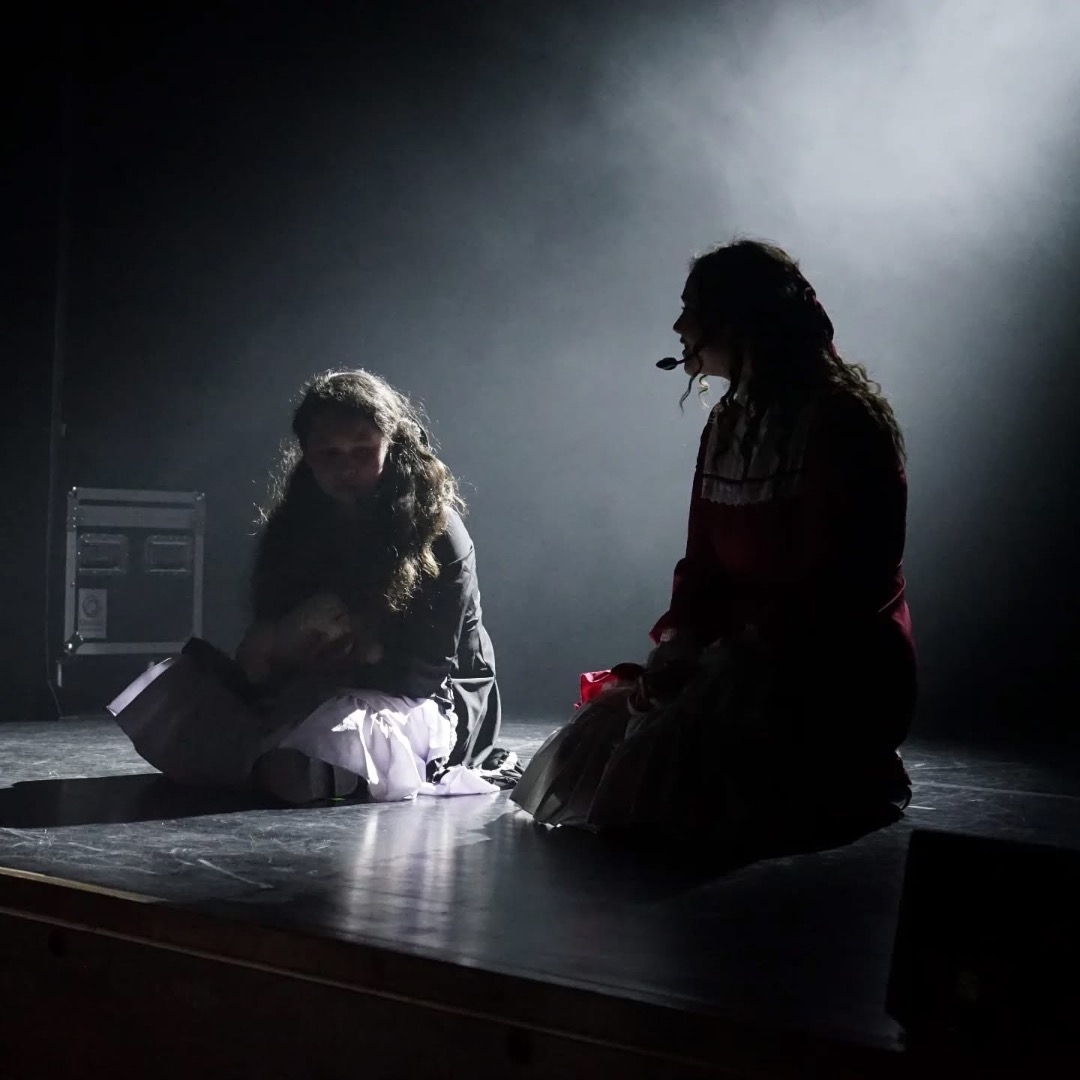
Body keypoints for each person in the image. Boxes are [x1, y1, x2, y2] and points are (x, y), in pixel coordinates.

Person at [511, 239, 916, 844]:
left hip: (826, 660)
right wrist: (682, 646)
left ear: (741, 319)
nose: (679, 327)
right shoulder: (728, 423)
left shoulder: (844, 423)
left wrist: (739, 656)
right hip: (738, 648)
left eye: (692, 309)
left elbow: (850, 579)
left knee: (667, 772)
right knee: (596, 746)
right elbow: (703, 562)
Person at [110, 369, 505, 804]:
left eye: (363, 450)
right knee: (178, 706)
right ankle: (281, 757)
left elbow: (424, 673)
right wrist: (280, 645)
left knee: (304, 758)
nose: (346, 467)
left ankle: (295, 762)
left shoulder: (436, 530)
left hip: (417, 698)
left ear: (392, 445)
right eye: (328, 454)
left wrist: (342, 656)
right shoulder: (297, 525)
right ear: (307, 456)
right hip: (312, 689)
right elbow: (264, 647)